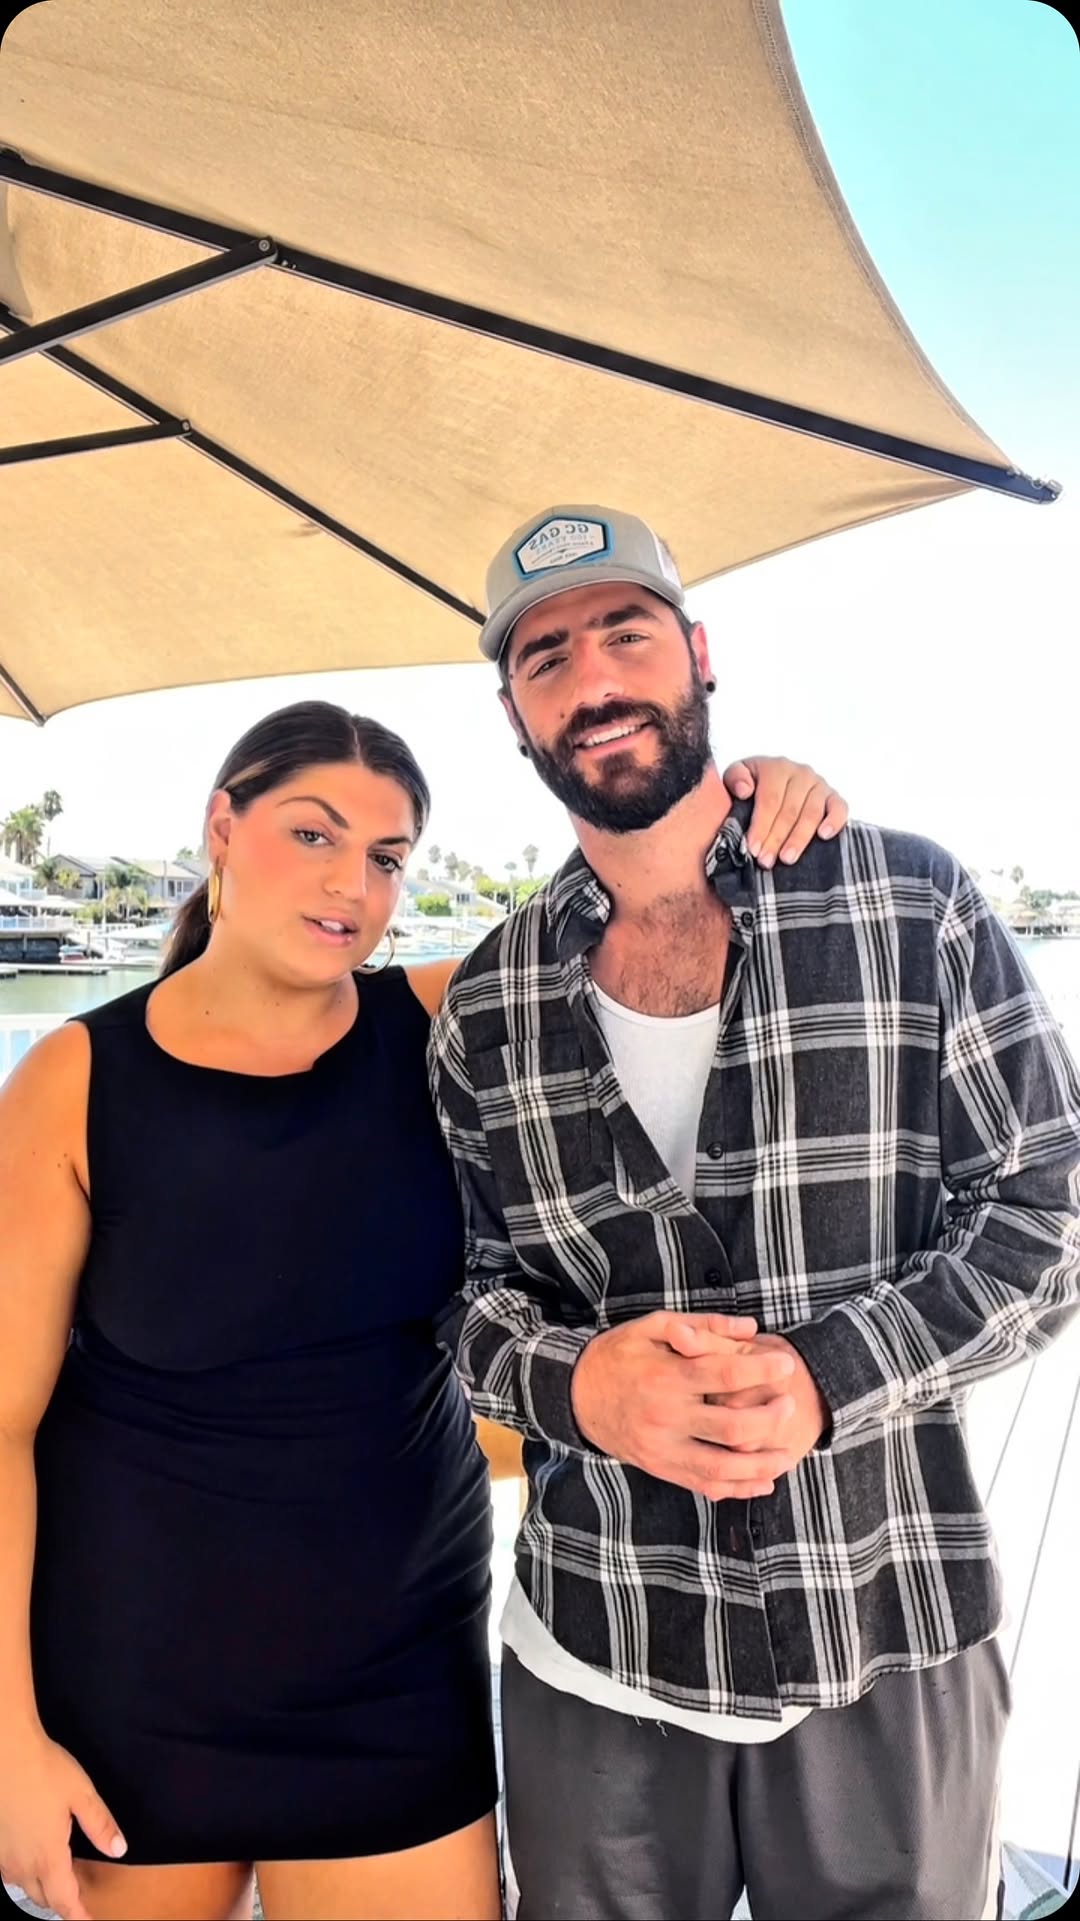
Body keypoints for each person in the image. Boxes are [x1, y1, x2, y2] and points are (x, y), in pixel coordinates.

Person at [0, 697, 844, 1921]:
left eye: (387, 856)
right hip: (127, 1678)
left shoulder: (447, 1023)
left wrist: (745, 801)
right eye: (313, 833)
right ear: (222, 827)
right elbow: (3, 1425)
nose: (352, 882)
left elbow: (647, 912)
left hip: (392, 1675)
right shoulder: (74, 1080)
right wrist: (9, 1735)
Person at [429, 505, 1080, 1921]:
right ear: (513, 715)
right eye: (547, 658)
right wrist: (580, 1384)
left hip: (885, 1617)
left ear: (699, 652)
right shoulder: (485, 1002)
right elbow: (463, 1297)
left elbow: (1050, 1209)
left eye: (627, 632)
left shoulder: (911, 903)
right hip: (598, 1642)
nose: (594, 680)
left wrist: (832, 1375)